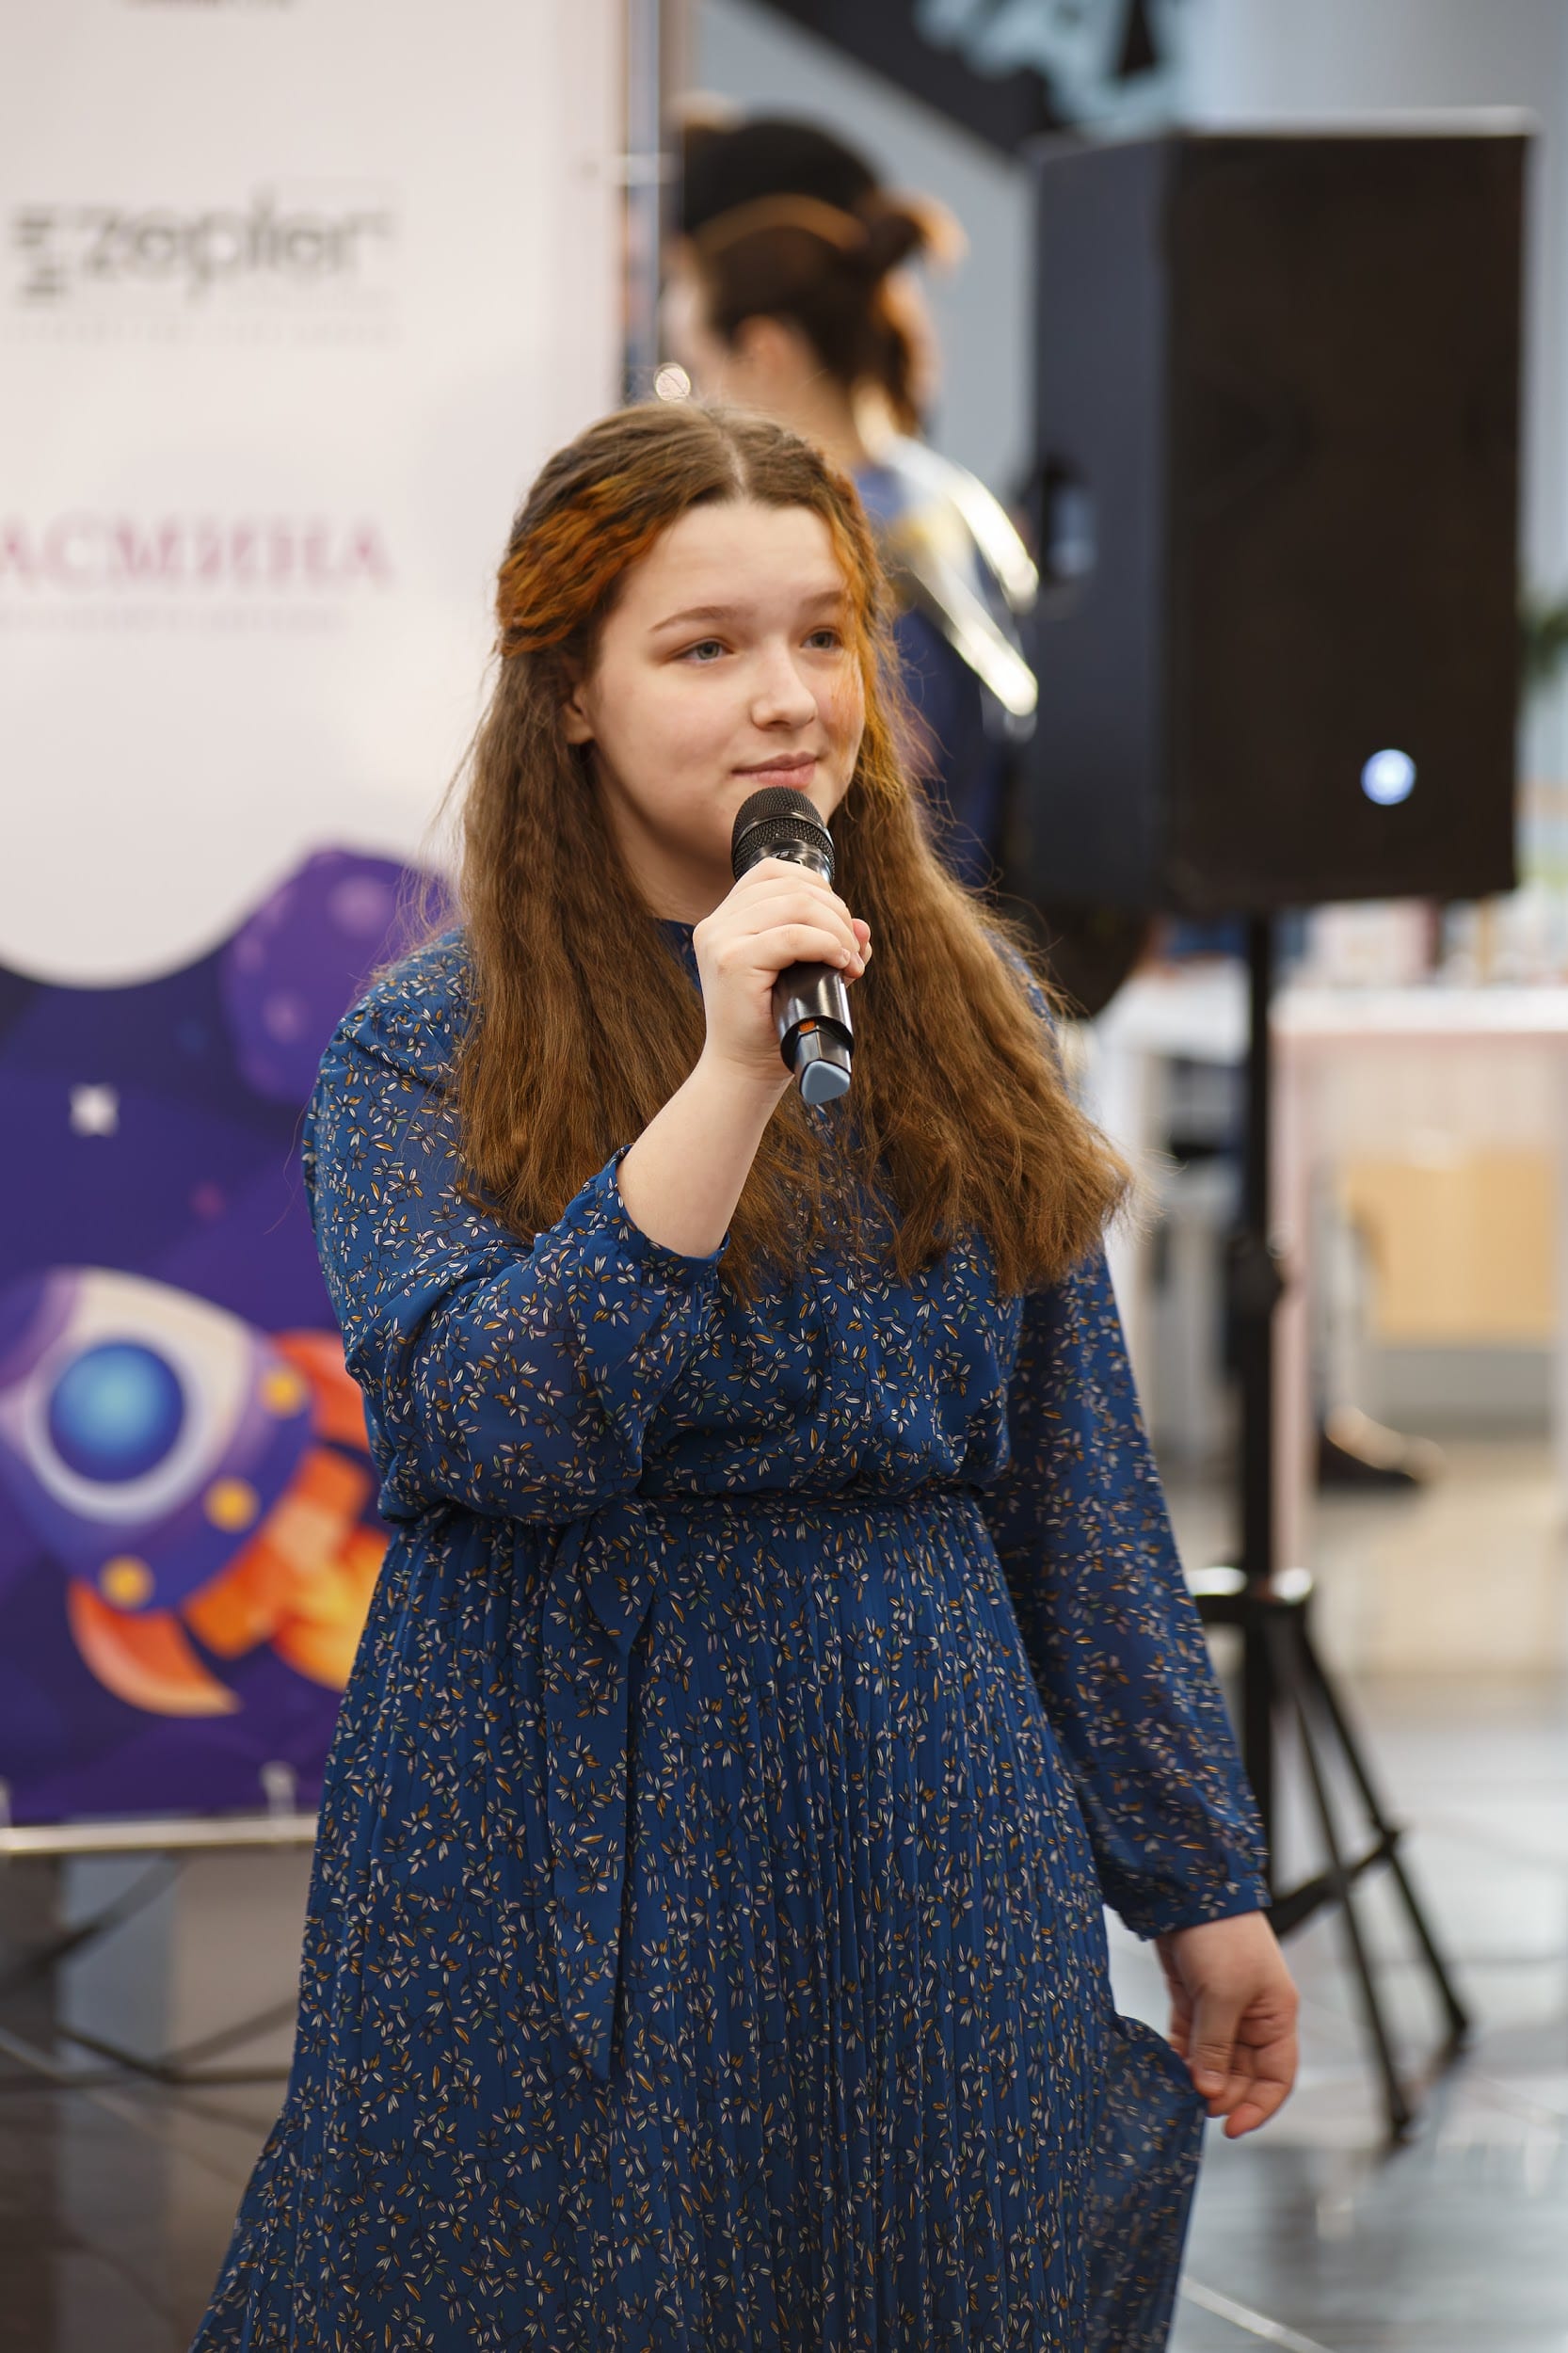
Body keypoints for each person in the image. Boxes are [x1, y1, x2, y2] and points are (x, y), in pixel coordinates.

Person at [190, 399, 1298, 2352]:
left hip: (916, 1774)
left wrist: (1197, 1882)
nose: (786, 696)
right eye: (704, 647)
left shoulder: (973, 1008)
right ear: (572, 695)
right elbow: (497, 1429)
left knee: (934, 2274)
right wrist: (720, 1076)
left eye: (821, 635)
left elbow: (1071, 1479)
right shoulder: (425, 1040)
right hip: (559, 1788)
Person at [666, 112, 1038, 892]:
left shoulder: (815, 542)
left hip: (870, 927)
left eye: (697, 368)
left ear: (762, 351)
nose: (692, 400)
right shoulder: (956, 499)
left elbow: (875, 799)